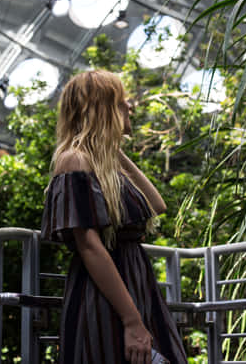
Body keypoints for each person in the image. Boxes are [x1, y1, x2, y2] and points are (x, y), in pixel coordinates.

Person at [40, 69, 188, 364]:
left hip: (135, 287)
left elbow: (157, 205)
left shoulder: (106, 166)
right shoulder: (74, 160)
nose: (130, 106)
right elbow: (89, 245)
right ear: (102, 108)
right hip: (107, 298)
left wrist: (111, 147)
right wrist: (132, 321)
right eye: (122, 101)